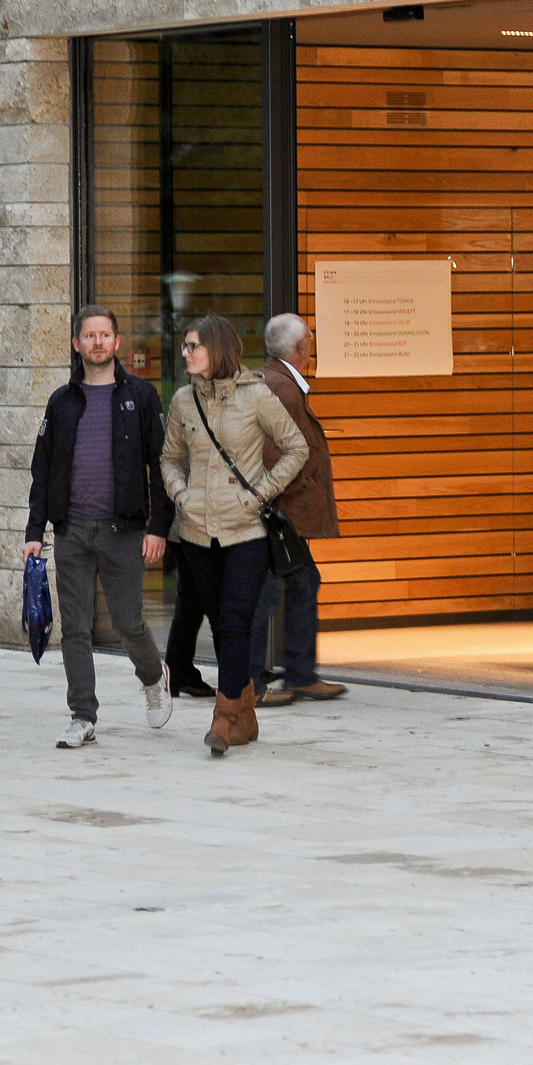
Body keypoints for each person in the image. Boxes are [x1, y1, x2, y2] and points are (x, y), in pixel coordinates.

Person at [24, 305, 174, 748]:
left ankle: (153, 676)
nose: (97, 343)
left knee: (129, 622)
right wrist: (35, 532)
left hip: (123, 531)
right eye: (89, 336)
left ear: (117, 342)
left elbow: (161, 467)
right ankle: (82, 715)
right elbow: (42, 468)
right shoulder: (61, 402)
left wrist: (158, 527)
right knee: (76, 628)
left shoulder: (142, 398)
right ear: (77, 344)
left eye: (105, 335)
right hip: (72, 531)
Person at [160, 314, 306, 756]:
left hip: (246, 530)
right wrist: (181, 495)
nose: (186, 353)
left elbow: (297, 448)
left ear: (217, 350)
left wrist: (259, 492)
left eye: (193, 347)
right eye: (185, 346)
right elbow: (169, 458)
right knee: (222, 623)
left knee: (238, 619)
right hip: (197, 531)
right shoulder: (184, 401)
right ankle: (246, 710)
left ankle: (223, 718)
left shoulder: (257, 395)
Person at [252, 313, 345, 708]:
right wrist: (300, 488)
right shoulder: (284, 389)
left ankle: (300, 674)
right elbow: (278, 455)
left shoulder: (274, 380)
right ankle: (251, 683)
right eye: (309, 339)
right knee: (266, 593)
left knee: (302, 583)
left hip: (276, 509)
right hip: (278, 511)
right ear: (302, 347)